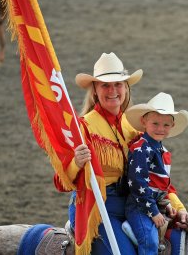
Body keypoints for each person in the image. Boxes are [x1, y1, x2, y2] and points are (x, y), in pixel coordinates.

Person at [53, 52, 143, 254]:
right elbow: (61, 181)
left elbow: (155, 172)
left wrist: (177, 207)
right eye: (105, 85)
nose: (113, 90)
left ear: (126, 88)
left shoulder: (137, 126)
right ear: (94, 91)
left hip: (133, 203)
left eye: (118, 84)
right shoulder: (82, 128)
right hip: (96, 208)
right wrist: (76, 162)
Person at [124, 92, 188, 255]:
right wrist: (153, 212)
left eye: (165, 125)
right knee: (149, 241)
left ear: (172, 126)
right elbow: (137, 183)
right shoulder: (142, 149)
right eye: (155, 123)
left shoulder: (160, 150)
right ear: (144, 122)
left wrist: (166, 203)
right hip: (139, 206)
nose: (160, 129)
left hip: (153, 203)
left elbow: (160, 184)